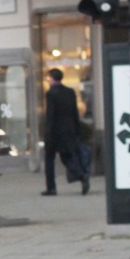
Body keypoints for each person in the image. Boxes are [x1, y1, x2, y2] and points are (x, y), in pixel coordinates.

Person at [43, 68, 89, 196]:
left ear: (52, 78)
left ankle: (51, 187)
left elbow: (50, 115)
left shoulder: (51, 93)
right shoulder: (69, 92)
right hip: (68, 130)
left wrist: (47, 132)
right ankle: (81, 175)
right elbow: (75, 112)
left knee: (49, 159)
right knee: (67, 156)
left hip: (54, 132)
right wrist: (77, 130)